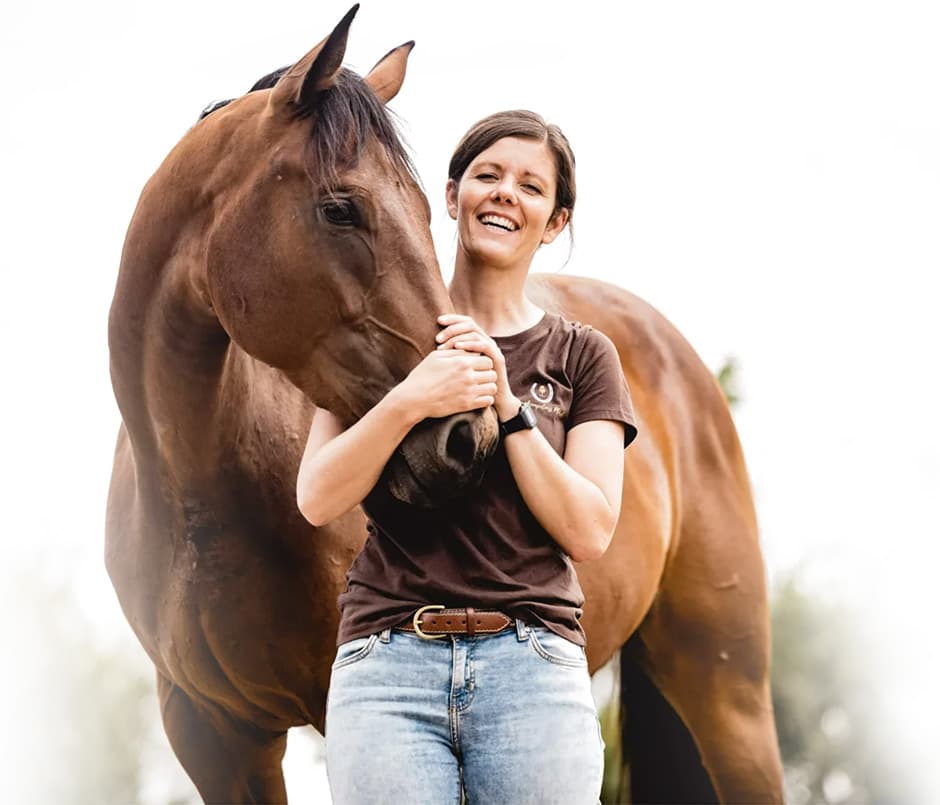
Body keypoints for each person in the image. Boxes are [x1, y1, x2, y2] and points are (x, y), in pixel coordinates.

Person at [296, 109, 638, 805]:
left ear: (556, 221)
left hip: (533, 668)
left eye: (530, 185)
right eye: (488, 175)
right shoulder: (376, 334)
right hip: (386, 666)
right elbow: (318, 495)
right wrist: (411, 396)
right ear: (452, 198)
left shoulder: (582, 355)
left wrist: (509, 406)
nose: (506, 191)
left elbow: (591, 528)